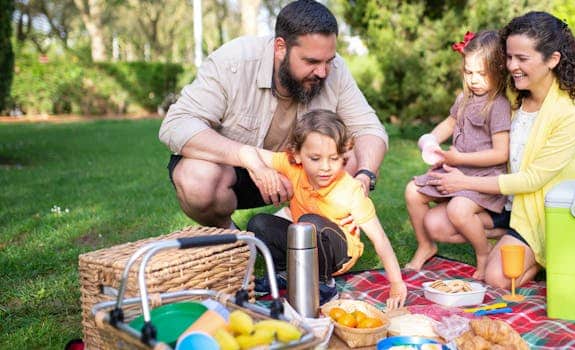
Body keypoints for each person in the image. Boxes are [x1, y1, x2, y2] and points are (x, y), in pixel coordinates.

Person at [158, 0, 387, 230]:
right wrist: (246, 156)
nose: (322, 72)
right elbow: (177, 124)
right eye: (311, 61)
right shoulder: (233, 61)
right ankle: (233, 239)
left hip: (299, 171)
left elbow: (369, 129)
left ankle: (298, 227)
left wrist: (366, 175)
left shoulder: (334, 71)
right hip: (236, 171)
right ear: (280, 48)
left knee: (352, 156)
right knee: (196, 179)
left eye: (329, 61)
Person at [421, 11, 575, 290]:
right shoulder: (515, 97)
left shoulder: (573, 111)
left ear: (552, 60)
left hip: (542, 214)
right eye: (509, 57)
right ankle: (506, 239)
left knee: (497, 278)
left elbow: (532, 179)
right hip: (509, 204)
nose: (511, 66)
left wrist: (464, 181)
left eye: (522, 59)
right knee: (435, 224)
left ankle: (545, 255)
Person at [245, 110, 407, 310]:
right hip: (306, 243)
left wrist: (397, 283)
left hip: (337, 255)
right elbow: (249, 152)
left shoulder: (349, 190)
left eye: (334, 158)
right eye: (315, 158)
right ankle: (284, 274)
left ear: (343, 155)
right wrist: (258, 168)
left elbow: (380, 239)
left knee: (309, 222)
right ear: (297, 154)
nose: (325, 167)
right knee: (258, 223)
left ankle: (324, 285)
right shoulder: (293, 167)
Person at [404, 30, 511, 280]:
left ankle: (484, 253)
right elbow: (450, 123)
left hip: (483, 176)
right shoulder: (464, 98)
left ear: (499, 70)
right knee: (412, 191)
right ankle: (426, 245)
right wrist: (432, 139)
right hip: (455, 167)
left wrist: (458, 159)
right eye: (469, 72)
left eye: (482, 74)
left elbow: (500, 153)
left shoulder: (498, 105)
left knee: (459, 210)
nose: (474, 80)